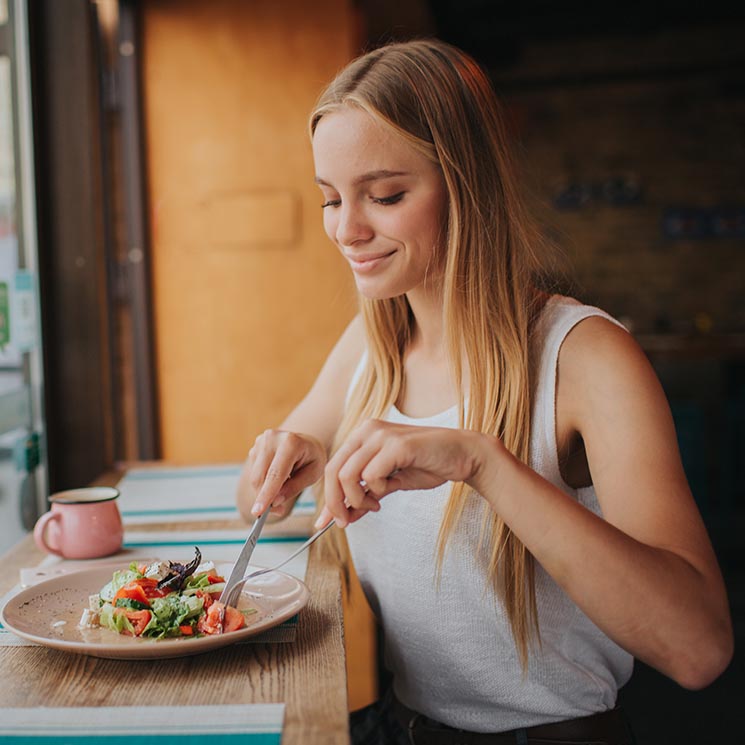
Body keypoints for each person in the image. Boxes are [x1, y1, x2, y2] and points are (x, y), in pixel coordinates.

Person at [236, 38, 733, 745]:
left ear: (467, 183)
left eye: (385, 195)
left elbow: (698, 649)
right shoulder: (370, 343)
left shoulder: (586, 357)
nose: (346, 230)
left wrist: (483, 464)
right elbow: (257, 504)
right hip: (405, 725)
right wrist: (285, 457)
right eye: (329, 198)